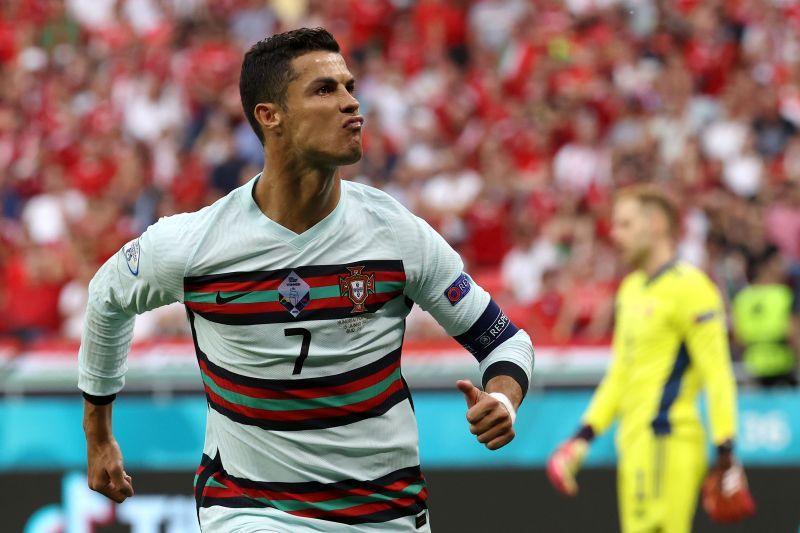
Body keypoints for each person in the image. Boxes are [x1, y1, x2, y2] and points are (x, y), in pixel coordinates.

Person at [78, 28, 534, 533]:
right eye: (325, 90)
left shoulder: (396, 234)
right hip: (249, 509)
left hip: (385, 515)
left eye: (349, 86)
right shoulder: (194, 243)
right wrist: (98, 435)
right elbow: (106, 298)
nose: (352, 103)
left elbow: (504, 342)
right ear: (270, 116)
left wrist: (502, 399)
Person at [546, 185, 748, 532]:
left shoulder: (693, 288)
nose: (614, 233)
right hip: (634, 441)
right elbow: (620, 374)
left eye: (625, 224)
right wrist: (581, 437)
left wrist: (726, 449)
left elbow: (717, 375)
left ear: (655, 224)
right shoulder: (630, 290)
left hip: (670, 439)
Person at [732, 245, 799, 387]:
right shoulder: (785, 295)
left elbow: (738, 340)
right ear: (766, 266)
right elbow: (793, 334)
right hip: (782, 369)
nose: (782, 267)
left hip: (750, 369)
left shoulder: (742, 298)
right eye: (778, 262)